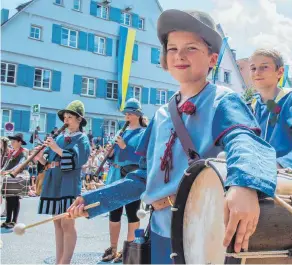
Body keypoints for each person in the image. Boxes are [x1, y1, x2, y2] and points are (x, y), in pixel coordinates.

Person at [67, 9, 277, 264]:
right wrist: (94, 200)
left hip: (202, 234)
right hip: (159, 230)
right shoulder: (162, 114)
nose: (179, 55)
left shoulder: (223, 100)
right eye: (172, 48)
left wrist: (244, 185)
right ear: (165, 60)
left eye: (191, 48)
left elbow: (245, 141)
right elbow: (145, 177)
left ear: (212, 59)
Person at [34, 100, 91, 264]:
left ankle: (65, 261)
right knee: (57, 224)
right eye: (64, 117)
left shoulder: (82, 138)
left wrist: (55, 148)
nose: (65, 121)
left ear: (79, 119)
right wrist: (39, 157)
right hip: (53, 181)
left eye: (70, 117)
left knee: (67, 223)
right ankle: (59, 260)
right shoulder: (59, 137)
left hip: (69, 182)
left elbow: (77, 160)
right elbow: (47, 161)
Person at [247, 48, 292, 172]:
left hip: (286, 176)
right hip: (255, 171)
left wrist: (277, 165)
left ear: (280, 72)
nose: (257, 72)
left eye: (264, 67)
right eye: (253, 68)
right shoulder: (252, 105)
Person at [100, 98, 147, 263]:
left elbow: (141, 156)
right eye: (126, 113)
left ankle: (128, 248)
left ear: (137, 114)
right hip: (116, 174)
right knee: (114, 212)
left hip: (132, 176)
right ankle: (112, 248)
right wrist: (111, 153)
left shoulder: (143, 133)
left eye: (129, 113)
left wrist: (124, 147)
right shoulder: (122, 131)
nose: (126, 115)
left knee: (132, 213)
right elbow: (118, 156)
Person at [0, 133, 27, 229]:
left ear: (20, 142)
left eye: (14, 141)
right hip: (9, 177)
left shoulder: (23, 152)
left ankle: (14, 221)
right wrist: (2, 170)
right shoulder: (12, 152)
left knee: (15, 199)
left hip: (18, 177)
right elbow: (7, 164)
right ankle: (8, 220)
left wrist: (8, 171)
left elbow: (20, 164)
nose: (12, 143)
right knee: (8, 198)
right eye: (11, 141)